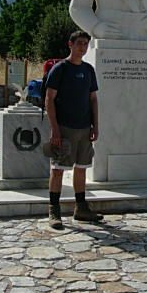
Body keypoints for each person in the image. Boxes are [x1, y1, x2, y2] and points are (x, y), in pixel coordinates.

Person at [45, 30, 101, 229]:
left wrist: (96, 124)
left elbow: (93, 99)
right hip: (64, 128)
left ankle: (81, 208)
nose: (83, 47)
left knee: (82, 167)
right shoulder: (60, 69)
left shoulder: (88, 70)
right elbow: (49, 100)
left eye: (86, 44)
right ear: (70, 44)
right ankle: (54, 210)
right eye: (79, 43)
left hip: (84, 128)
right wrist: (55, 129)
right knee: (58, 169)